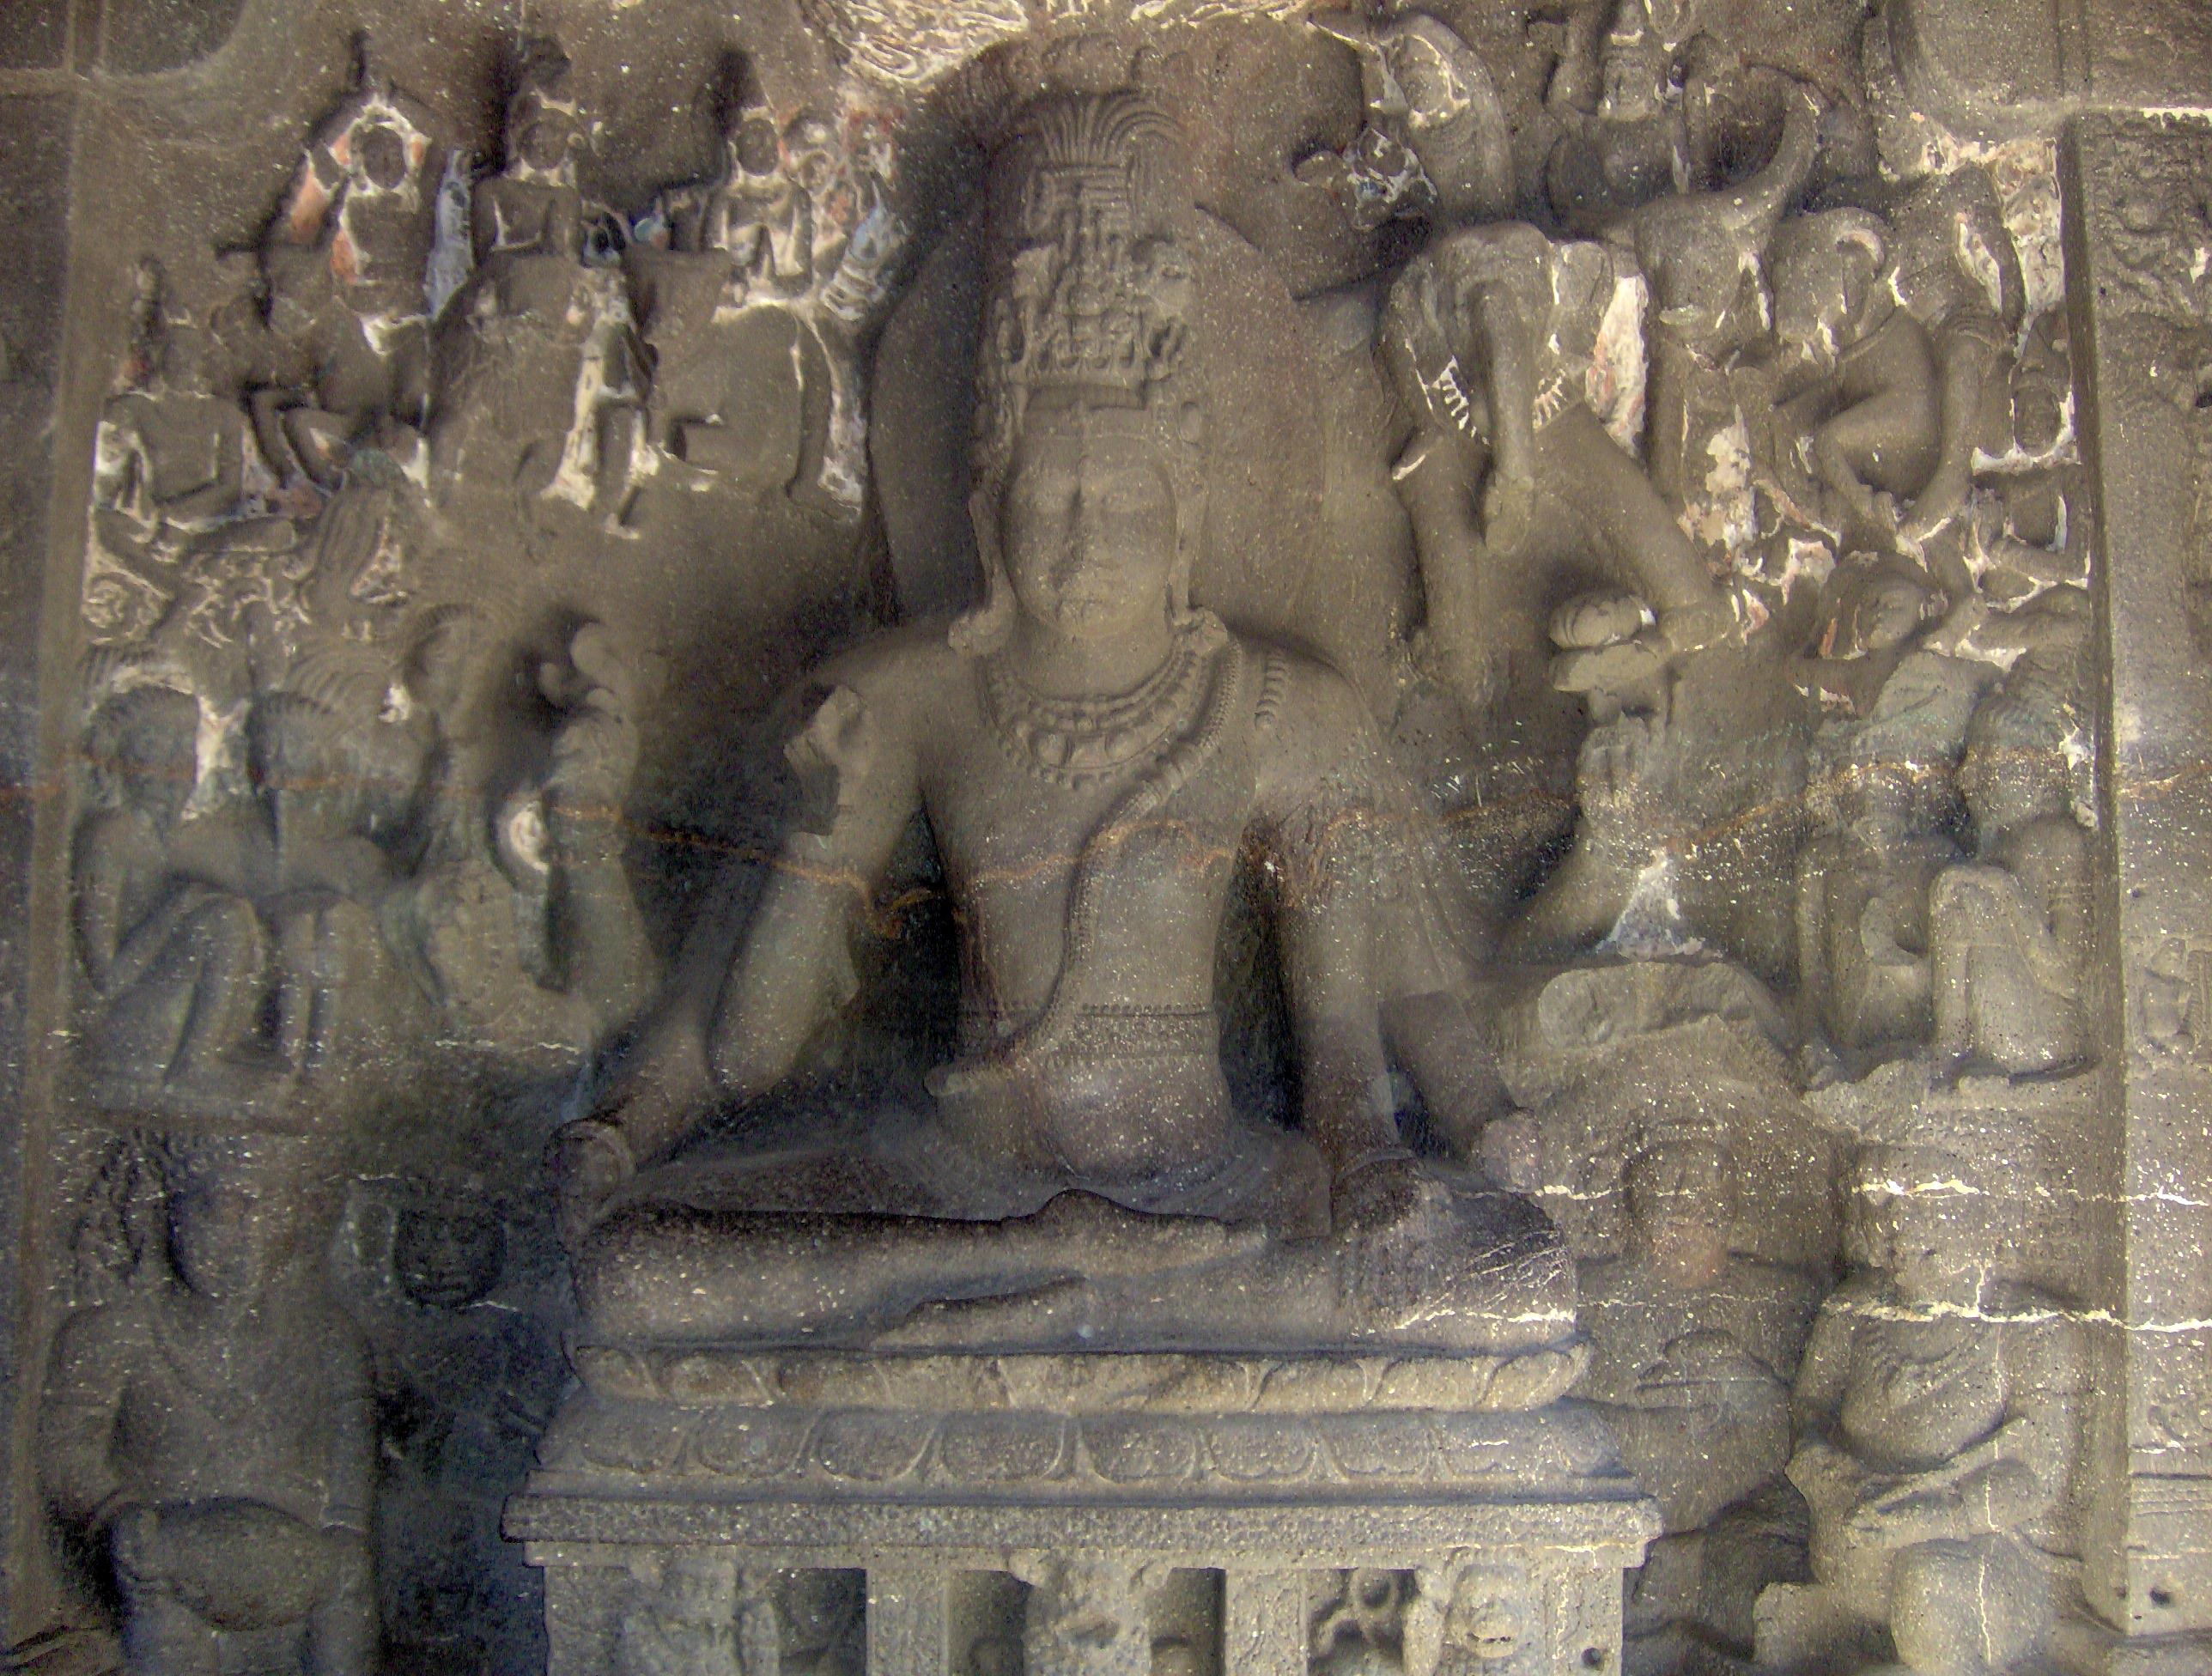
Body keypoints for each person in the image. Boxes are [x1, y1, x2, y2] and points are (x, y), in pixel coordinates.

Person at [548, 90, 1573, 1358]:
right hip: (955, 1188)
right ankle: (1061, 1270)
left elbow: (1374, 1028)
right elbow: (745, 1054)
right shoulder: (902, 695)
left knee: (1520, 1281)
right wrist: (621, 1136)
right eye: (1052, 500)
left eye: (1126, 504)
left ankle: (1061, 1282)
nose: (1086, 540)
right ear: (986, 518)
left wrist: (1478, 1136)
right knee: (642, 1276)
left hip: (1208, 1183)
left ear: (1187, 518)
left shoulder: (1281, 710)